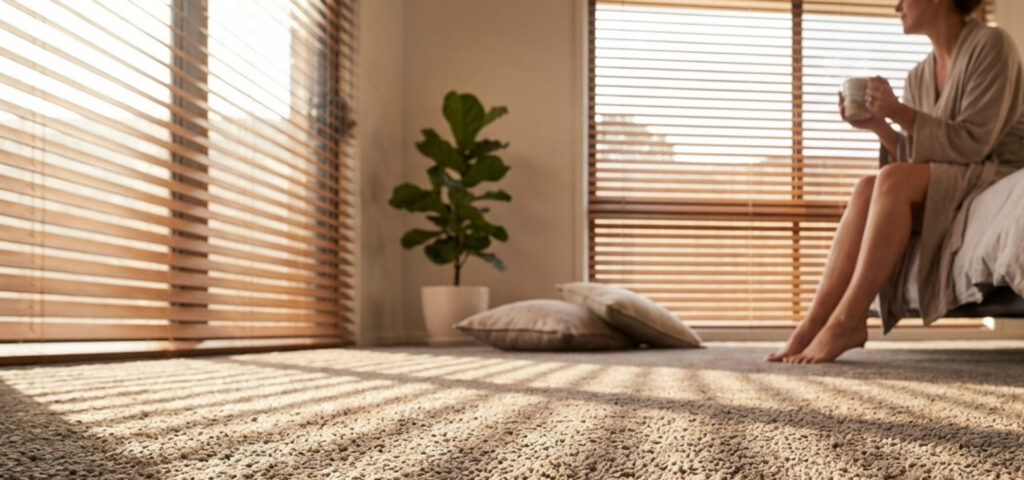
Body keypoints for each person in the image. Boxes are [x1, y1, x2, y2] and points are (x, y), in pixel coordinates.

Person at [766, 0, 1024, 363]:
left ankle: (848, 319)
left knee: (888, 180)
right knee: (866, 187)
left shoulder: (991, 47)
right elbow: (916, 161)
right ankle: (813, 322)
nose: (897, 7)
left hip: (992, 171)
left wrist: (900, 112)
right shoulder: (918, 75)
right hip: (951, 179)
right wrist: (879, 126)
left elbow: (973, 144)